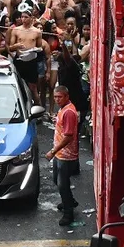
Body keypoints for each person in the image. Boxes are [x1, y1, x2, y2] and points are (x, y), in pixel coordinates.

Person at [45, 86, 79, 226]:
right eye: (55, 97)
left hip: (66, 155)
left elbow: (68, 137)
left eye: (60, 97)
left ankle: (68, 213)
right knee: (57, 181)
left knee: (62, 184)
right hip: (60, 154)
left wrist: (52, 151)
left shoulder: (69, 112)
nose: (57, 100)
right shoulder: (62, 109)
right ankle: (70, 201)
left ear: (66, 96)